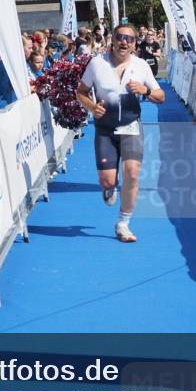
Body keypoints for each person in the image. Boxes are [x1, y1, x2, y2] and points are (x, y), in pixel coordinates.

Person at [76, 24, 164, 243]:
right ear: (112, 40)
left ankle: (123, 223)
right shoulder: (97, 63)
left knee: (132, 173)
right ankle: (109, 187)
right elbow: (81, 92)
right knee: (107, 182)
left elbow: (161, 96)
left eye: (130, 39)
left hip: (130, 125)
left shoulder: (141, 65)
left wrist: (146, 91)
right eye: (120, 37)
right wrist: (91, 107)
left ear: (134, 44)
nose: (125, 42)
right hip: (105, 129)